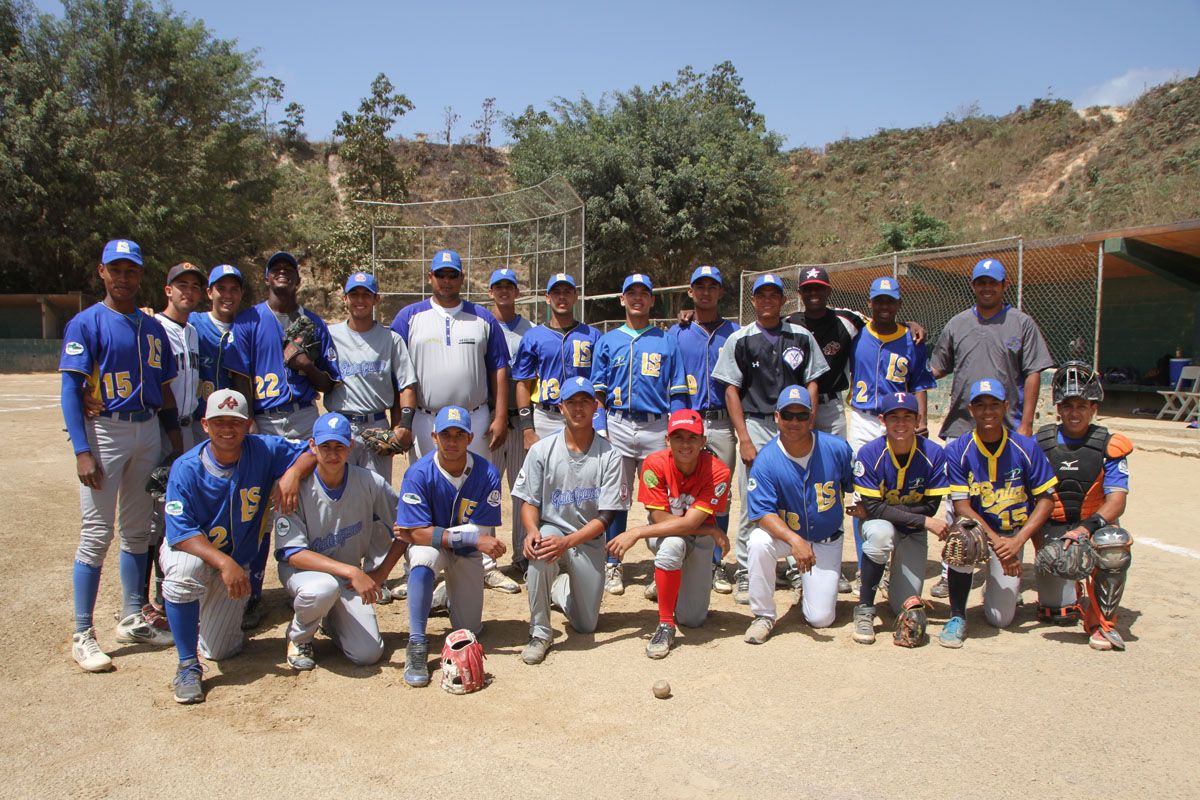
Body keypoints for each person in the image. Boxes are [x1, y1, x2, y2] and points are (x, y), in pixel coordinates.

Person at [60, 239, 185, 672]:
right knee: (96, 533)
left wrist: (173, 440)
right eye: (117, 269)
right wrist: (81, 450)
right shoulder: (86, 323)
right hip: (105, 431)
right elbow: (71, 391)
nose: (124, 277)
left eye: (131, 270)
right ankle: (83, 633)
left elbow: (166, 389)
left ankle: (133, 616)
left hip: (147, 428)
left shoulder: (152, 329)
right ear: (102, 272)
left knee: (137, 530)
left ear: (140, 274)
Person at [159, 389, 314, 703]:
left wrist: (293, 473)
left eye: (235, 421)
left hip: (236, 564)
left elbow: (311, 451)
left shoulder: (263, 449)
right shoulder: (186, 467)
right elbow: (181, 533)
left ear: (248, 425)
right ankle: (187, 664)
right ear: (205, 424)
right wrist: (224, 564)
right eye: (219, 421)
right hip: (196, 553)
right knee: (185, 572)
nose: (227, 428)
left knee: (221, 650)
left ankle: (197, 615)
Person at [227, 250, 342, 629]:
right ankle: (252, 592)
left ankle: (318, 585)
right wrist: (249, 425)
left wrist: (307, 365)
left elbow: (329, 383)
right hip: (263, 419)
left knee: (310, 503)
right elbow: (240, 378)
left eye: (288, 270)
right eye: (275, 269)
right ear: (266, 279)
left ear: (297, 280)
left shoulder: (314, 323)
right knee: (258, 510)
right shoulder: (247, 321)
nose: (282, 274)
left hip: (306, 414)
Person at [927, 257, 1053, 599]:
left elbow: (1034, 372)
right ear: (973, 286)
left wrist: (1026, 423)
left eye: (992, 282)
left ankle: (1014, 556)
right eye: (980, 282)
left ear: (1002, 286)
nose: (986, 287)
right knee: (958, 506)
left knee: (1010, 497)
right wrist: (908, 362)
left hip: (1008, 428)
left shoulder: (1021, 323)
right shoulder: (958, 323)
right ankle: (952, 569)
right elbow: (937, 367)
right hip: (962, 426)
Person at [389, 250, 512, 591]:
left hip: (474, 414)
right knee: (424, 487)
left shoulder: (482, 317)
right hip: (428, 418)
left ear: (461, 278)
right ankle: (421, 564)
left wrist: (500, 415)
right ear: (430, 277)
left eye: (452, 274)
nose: (446, 280)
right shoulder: (408, 317)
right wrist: (399, 420)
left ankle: (484, 564)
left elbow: (499, 367)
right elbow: (396, 371)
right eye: (440, 274)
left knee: (480, 487)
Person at [711, 274, 829, 604]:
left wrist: (807, 423)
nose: (767, 300)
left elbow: (813, 384)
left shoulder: (801, 337)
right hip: (757, 423)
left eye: (773, 295)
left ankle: (794, 564)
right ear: (752, 301)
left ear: (783, 300)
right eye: (760, 295)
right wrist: (744, 438)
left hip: (794, 424)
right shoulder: (741, 338)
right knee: (754, 499)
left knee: (795, 497)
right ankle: (748, 571)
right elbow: (731, 389)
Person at [274, 412, 405, 671]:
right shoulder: (297, 488)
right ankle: (299, 638)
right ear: (312, 446)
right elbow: (293, 553)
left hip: (346, 580)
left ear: (350, 447)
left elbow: (407, 528)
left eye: (339, 447)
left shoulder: (370, 482)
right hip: (304, 574)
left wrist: (381, 572)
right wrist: (352, 570)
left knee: (368, 653)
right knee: (321, 589)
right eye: (325, 447)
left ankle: (328, 619)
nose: (333, 454)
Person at [512, 377, 627, 665]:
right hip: (553, 529)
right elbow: (529, 502)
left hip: (587, 538)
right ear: (561, 407)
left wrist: (568, 543)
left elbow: (607, 516)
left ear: (595, 407)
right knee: (540, 548)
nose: (578, 408)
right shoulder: (542, 450)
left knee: (586, 625)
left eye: (585, 402)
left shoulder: (610, 454)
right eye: (571, 402)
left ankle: (559, 587)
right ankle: (540, 631)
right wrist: (530, 531)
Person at [392, 406, 505, 688]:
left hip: (465, 553)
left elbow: (478, 531)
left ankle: (442, 597)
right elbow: (413, 535)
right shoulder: (418, 473)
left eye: (459, 435)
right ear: (433, 436)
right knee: (422, 558)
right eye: (445, 435)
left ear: (470, 437)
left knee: (470, 629)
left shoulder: (487, 473)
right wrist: (469, 536)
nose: (452, 441)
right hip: (435, 548)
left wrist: (462, 536)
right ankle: (416, 643)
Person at [940, 379, 1058, 648]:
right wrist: (998, 543)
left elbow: (1046, 500)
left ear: (1006, 406)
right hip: (979, 532)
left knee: (1000, 619)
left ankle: (994, 587)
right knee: (961, 536)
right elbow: (962, 507)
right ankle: (957, 616)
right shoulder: (958, 449)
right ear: (971, 409)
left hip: (1013, 532)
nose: (988, 411)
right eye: (981, 405)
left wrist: (1018, 541)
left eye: (994, 404)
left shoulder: (1026, 447)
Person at [591, 273, 689, 595]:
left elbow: (677, 393)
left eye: (643, 293)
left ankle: (662, 563)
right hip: (617, 424)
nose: (637, 298)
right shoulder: (608, 340)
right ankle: (613, 564)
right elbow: (598, 392)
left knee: (660, 498)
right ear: (622, 299)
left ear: (651, 300)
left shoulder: (666, 340)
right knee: (616, 498)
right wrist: (600, 426)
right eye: (630, 293)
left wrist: (674, 432)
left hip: (656, 426)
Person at [607, 410, 731, 659]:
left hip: (701, 539)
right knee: (673, 545)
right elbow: (659, 520)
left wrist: (637, 532)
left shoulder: (718, 471)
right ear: (667, 439)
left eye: (692, 437)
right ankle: (665, 625)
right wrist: (710, 527)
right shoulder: (654, 464)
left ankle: (667, 582)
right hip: (667, 535)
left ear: (703, 441)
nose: (685, 444)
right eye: (678, 437)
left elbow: (691, 522)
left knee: (693, 619)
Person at [742, 385, 855, 644]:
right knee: (758, 541)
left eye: (802, 415)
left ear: (811, 417)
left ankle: (808, 588)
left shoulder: (837, 448)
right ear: (777, 416)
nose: (795, 421)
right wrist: (795, 541)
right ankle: (763, 615)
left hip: (826, 539)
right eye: (788, 415)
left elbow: (853, 484)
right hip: (789, 538)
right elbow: (761, 513)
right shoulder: (767, 459)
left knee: (821, 619)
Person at [844, 276, 936, 590]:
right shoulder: (856, 331)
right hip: (863, 418)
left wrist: (921, 418)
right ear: (870, 303)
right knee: (863, 494)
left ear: (898, 303)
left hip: (899, 421)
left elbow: (921, 381)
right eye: (879, 300)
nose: (884, 305)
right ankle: (865, 565)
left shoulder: (913, 340)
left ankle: (893, 562)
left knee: (898, 489)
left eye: (890, 301)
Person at [1033, 362, 1133, 651]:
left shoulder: (1110, 445)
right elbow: (1031, 500)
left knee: (1115, 544)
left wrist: (1085, 530)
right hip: (1055, 529)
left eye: (1082, 405)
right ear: (1058, 409)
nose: (1074, 412)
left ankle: (1103, 621)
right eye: (1067, 405)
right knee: (1057, 614)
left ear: (1094, 408)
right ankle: (1071, 594)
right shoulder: (1040, 442)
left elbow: (1117, 500)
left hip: (1093, 526)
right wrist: (1043, 548)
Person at [849, 391, 949, 644]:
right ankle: (865, 608)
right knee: (881, 533)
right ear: (883, 420)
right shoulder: (870, 453)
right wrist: (925, 522)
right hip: (889, 526)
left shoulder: (934, 454)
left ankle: (891, 584)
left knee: (904, 607)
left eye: (908, 416)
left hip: (911, 531)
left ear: (918, 419)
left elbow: (930, 506)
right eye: (894, 417)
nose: (901, 423)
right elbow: (875, 509)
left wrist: (882, 510)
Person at [668, 266, 739, 594]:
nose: (706, 292)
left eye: (713, 286)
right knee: (681, 493)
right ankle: (680, 558)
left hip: (722, 421)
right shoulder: (677, 332)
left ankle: (714, 561)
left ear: (722, 292)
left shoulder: (735, 333)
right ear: (690, 292)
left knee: (718, 494)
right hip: (687, 421)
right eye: (700, 286)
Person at [325, 271, 417, 484]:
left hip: (376, 426)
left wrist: (403, 426)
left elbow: (407, 386)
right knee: (340, 493)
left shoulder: (391, 339)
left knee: (377, 498)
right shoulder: (330, 336)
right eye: (354, 294)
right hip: (340, 424)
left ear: (376, 299)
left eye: (366, 295)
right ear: (345, 298)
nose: (360, 300)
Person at [513, 272, 601, 442]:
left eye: (567, 292)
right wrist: (527, 428)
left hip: (582, 413)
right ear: (547, 298)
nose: (562, 297)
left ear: (575, 297)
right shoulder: (533, 336)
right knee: (547, 468)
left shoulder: (593, 335)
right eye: (556, 292)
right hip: (547, 416)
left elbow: (600, 383)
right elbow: (523, 383)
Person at [487, 268, 534, 583]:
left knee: (522, 492)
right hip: (489, 419)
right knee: (487, 490)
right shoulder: (482, 325)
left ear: (517, 292)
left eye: (509, 286)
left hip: (522, 419)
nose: (504, 291)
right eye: (498, 286)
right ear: (490, 292)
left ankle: (521, 555)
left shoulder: (530, 329)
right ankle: (486, 561)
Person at [191, 264, 245, 443]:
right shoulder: (193, 322)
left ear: (241, 293)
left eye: (234, 289)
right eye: (221, 289)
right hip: (196, 420)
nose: (227, 295)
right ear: (209, 292)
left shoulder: (245, 329)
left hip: (231, 422)